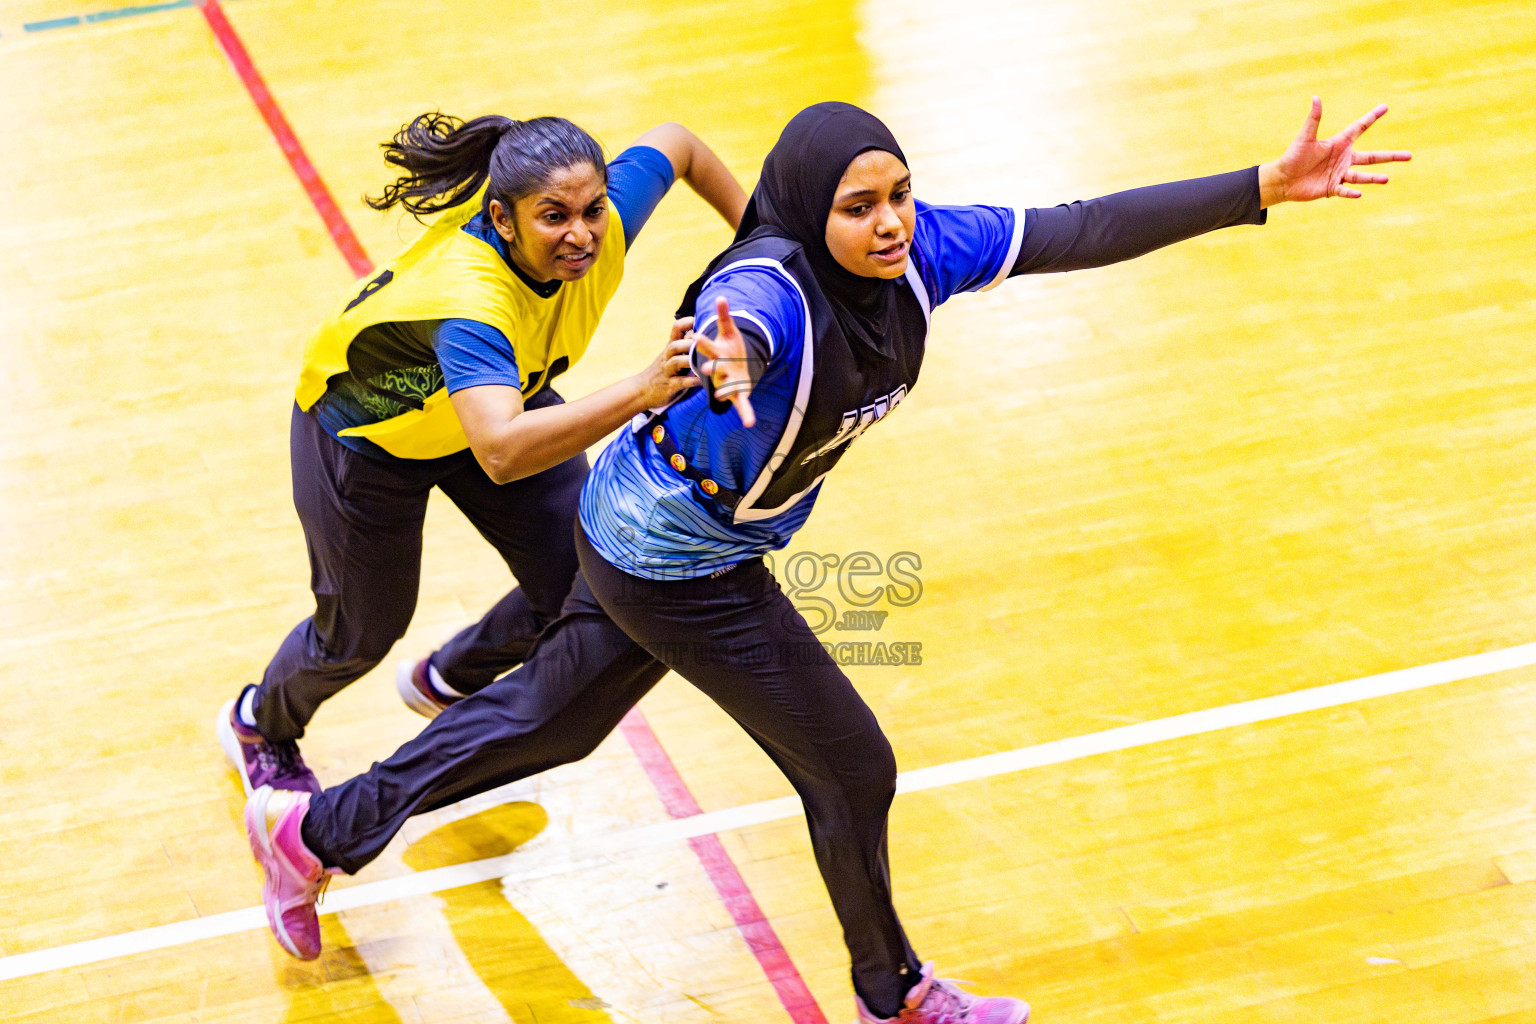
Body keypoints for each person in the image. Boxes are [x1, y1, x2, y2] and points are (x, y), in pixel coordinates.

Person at [241, 99, 1409, 1021]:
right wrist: (723, 355)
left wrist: (1260, 186)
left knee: (560, 720)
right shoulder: (769, 296)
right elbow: (736, 316)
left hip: (643, 524)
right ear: (816, 212)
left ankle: (316, 830)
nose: (889, 220)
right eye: (859, 206)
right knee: (851, 763)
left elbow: (1082, 224)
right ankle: (892, 991)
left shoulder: (922, 256)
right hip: (675, 559)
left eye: (898, 194)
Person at [217, 112, 747, 797]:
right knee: (359, 633)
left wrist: (765, 238)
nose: (582, 235)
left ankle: (448, 677)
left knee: (588, 580)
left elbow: (681, 142)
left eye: (592, 210)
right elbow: (499, 451)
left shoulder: (600, 225)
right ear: (503, 219)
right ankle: (258, 722)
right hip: (368, 442)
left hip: (497, 400)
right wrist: (642, 390)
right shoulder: (472, 302)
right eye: (554, 217)